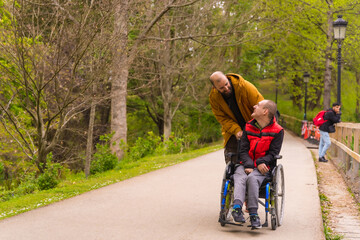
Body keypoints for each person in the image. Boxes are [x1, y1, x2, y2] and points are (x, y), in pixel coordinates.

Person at [231, 100, 284, 229]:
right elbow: (243, 150)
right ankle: (237, 208)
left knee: (253, 178)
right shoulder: (248, 126)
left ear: (265, 111)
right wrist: (248, 164)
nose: (254, 106)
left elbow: (273, 153)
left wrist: (261, 162)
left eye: (258, 106)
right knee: (240, 176)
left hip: (263, 167)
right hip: (245, 164)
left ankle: (254, 214)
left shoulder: (278, 131)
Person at [209, 71, 264, 164]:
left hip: (254, 124)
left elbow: (261, 107)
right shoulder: (214, 98)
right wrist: (236, 130)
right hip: (233, 130)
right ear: (215, 88)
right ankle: (235, 175)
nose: (226, 88)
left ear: (227, 78)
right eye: (222, 88)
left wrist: (259, 128)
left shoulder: (245, 86)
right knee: (232, 156)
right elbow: (222, 118)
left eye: (226, 84)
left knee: (259, 153)